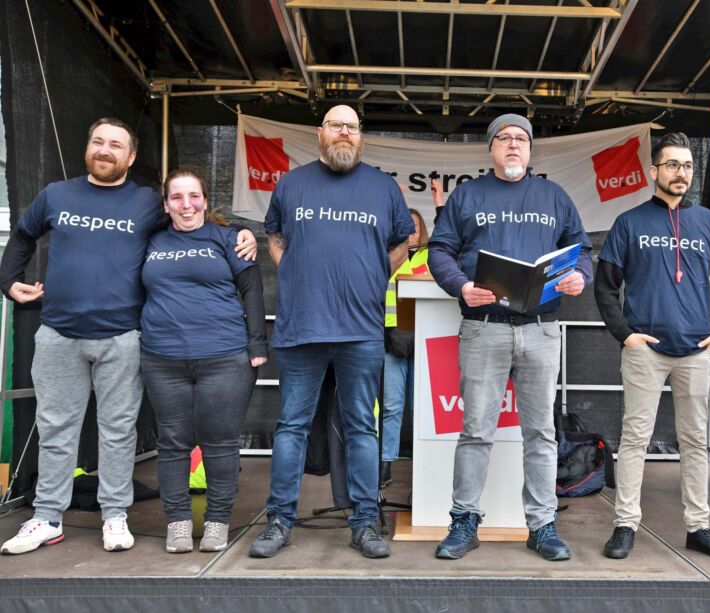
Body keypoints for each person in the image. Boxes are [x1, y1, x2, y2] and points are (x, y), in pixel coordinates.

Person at [0, 118, 256, 555]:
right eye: (97, 141)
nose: (105, 150)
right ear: (88, 148)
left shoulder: (146, 203)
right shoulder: (56, 195)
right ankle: (46, 517)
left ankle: (114, 515)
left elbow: (192, 211)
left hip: (122, 337)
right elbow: (23, 235)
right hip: (59, 334)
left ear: (130, 157)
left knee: (118, 431)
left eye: (115, 145)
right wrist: (8, 280)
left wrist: (240, 232)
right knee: (56, 428)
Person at [248, 104, 414, 560]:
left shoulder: (383, 188)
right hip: (301, 326)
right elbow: (275, 238)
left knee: (362, 426)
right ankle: (279, 520)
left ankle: (363, 522)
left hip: (360, 329)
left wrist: (377, 273)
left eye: (353, 127)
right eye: (337, 125)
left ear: (361, 136)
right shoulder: (292, 184)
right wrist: (297, 276)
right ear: (320, 133)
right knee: (292, 428)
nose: (345, 133)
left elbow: (402, 240)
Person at [428, 113, 593, 562]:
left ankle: (542, 525)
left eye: (522, 139)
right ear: (491, 148)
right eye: (505, 138)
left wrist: (579, 275)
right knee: (475, 431)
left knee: (541, 433)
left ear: (531, 148)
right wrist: (462, 286)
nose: (514, 145)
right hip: (484, 329)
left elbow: (583, 250)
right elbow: (439, 251)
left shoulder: (554, 196)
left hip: (541, 330)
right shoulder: (467, 195)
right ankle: (464, 522)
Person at [594, 132, 710, 561]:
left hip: (697, 350)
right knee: (635, 438)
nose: (682, 173)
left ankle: (699, 527)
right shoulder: (630, 221)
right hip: (646, 349)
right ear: (654, 171)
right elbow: (606, 287)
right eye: (673, 165)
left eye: (688, 166)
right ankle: (625, 524)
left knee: (695, 441)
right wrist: (626, 334)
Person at [140, 168, 267, 553]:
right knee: (172, 443)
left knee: (221, 444)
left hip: (224, 358)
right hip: (162, 359)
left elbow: (253, 290)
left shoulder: (229, 239)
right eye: (176, 197)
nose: (186, 205)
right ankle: (177, 522)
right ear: (165, 204)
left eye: (193, 196)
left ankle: (217, 522)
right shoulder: (149, 241)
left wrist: (257, 345)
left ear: (206, 201)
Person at [381, 206, 433, 487]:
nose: (411, 231)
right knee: (390, 406)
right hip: (391, 339)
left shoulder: (433, 256)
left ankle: (425, 464)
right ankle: (385, 463)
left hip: (424, 339)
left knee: (421, 407)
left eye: (415, 225)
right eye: (406, 225)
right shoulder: (386, 255)